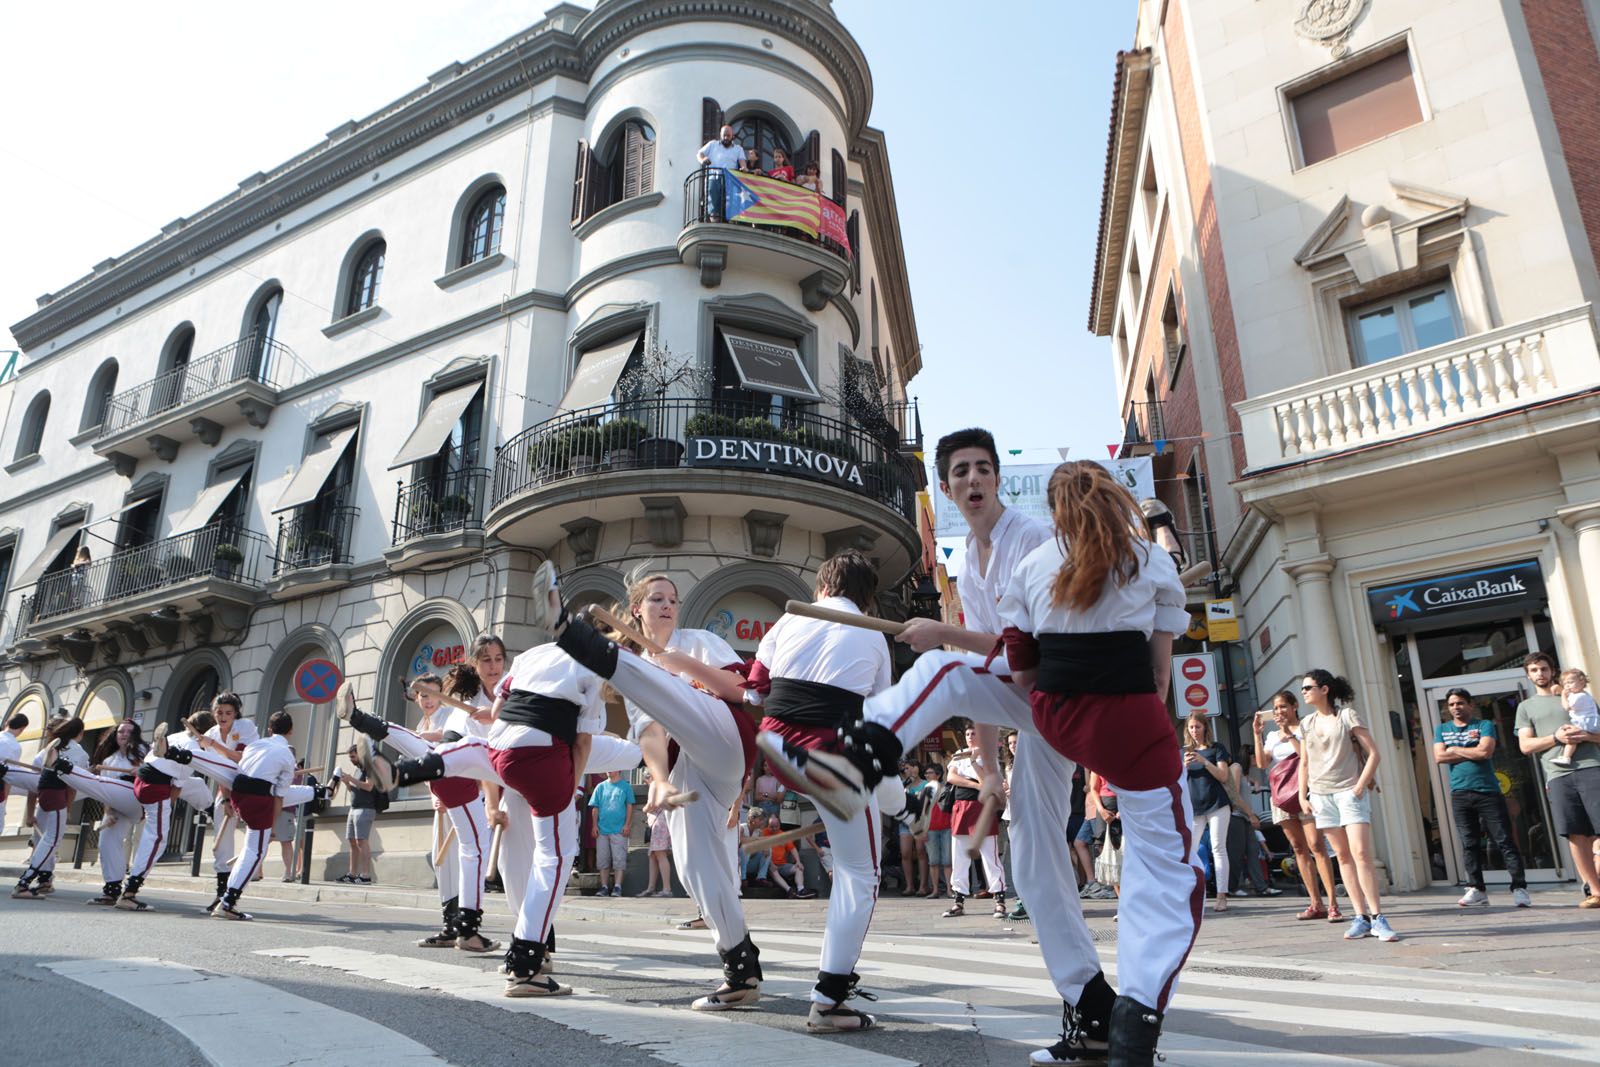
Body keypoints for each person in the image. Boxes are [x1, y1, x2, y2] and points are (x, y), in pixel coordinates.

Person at [766, 434, 1120, 1064]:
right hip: (1026, 712)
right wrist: (988, 770)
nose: (975, 478)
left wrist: (942, 633)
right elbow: (984, 680)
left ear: (996, 481)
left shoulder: (1031, 540)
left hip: (1058, 693)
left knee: (940, 669)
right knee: (1035, 864)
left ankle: (867, 760)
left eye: (984, 467)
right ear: (950, 488)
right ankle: (1092, 1010)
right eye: (962, 472)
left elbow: (1023, 648)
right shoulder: (966, 563)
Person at [385, 562, 601, 995]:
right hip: (532, 769)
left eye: (496, 658)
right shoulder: (581, 666)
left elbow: (497, 721)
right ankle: (527, 962)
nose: (493, 664)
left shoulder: (530, 662)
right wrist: (565, 792)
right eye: (485, 659)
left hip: (506, 760)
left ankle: (408, 766)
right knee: (545, 861)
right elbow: (581, 742)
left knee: (473, 757)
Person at [551, 570, 762, 1010]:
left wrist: (678, 662)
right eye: (656, 599)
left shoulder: (700, 640)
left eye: (672, 599)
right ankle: (741, 967)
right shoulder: (641, 676)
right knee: (694, 868)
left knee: (664, 686)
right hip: (685, 768)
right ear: (636, 610)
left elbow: (742, 693)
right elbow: (651, 731)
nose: (667, 605)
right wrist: (661, 781)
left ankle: (590, 646)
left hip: (723, 738)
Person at [750, 549, 895, 1033]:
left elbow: (755, 690)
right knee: (861, 873)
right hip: (830, 758)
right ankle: (831, 1000)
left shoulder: (788, 622)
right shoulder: (874, 634)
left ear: (822, 587)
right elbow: (882, 713)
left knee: (854, 846)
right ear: (866, 594)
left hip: (777, 748)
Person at [338, 670, 501, 951]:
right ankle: (462, 928)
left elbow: (446, 743)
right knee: (465, 855)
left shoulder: (459, 711)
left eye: (430, 694)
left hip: (451, 776)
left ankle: (361, 720)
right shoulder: (472, 711)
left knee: (462, 856)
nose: (427, 700)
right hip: (451, 781)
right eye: (422, 695)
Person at [1297, 669, 1396, 942]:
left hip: (1348, 793)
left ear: (1324, 689)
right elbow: (1304, 762)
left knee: (1361, 853)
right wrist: (1302, 795)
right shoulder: (1305, 723)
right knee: (1341, 857)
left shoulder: (1346, 715)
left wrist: (1360, 786)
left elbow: (1374, 753)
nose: (1304, 691)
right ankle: (1360, 917)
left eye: (1308, 687)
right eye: (1303, 688)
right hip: (1320, 795)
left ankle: (1378, 917)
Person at [1515, 651, 1600, 908]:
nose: (1540, 673)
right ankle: (1595, 892)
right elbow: (1526, 746)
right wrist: (1556, 738)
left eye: (1543, 668)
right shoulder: (1525, 707)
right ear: (1528, 676)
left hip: (1591, 767)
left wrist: (1582, 736)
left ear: (1552, 670)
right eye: (1534, 670)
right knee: (1575, 833)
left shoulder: (1578, 696)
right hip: (1557, 774)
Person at [1432, 687, 1530, 907]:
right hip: (1459, 794)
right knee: (1469, 843)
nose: (1456, 707)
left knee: (1504, 840)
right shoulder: (1442, 729)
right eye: (1451, 704)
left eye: (1460, 703)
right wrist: (1469, 749)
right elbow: (1439, 756)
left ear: (1470, 705)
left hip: (1488, 792)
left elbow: (1485, 752)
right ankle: (1477, 889)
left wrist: (1454, 749)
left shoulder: (1484, 725)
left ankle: (1519, 888)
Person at [205, 711, 304, 920]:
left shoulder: (254, 745)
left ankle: (226, 900)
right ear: (292, 731)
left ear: (269, 729)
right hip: (259, 800)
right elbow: (280, 793)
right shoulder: (287, 754)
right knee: (255, 852)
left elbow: (236, 770)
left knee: (251, 849)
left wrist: (228, 800)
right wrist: (272, 823)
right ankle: (228, 903)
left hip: (239, 795)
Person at [117, 712, 219, 911]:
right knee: (158, 838)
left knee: (196, 784)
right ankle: (129, 892)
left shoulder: (174, 737)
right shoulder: (192, 749)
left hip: (144, 779)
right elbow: (175, 790)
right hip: (156, 789)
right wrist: (164, 809)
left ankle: (211, 810)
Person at [1253, 692, 1340, 921]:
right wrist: (1257, 734)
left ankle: (1332, 903)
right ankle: (1315, 903)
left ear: (1294, 706)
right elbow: (1262, 764)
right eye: (1276, 708)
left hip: (1306, 792)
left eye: (1283, 706)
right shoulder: (1272, 735)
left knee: (1316, 845)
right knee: (1298, 848)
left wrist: (1290, 735)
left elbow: (1305, 755)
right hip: (1282, 795)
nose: (1280, 711)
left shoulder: (1306, 727)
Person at [11, 717, 89, 899]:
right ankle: (24, 884)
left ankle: (44, 879)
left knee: (42, 839)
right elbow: (73, 786)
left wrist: (30, 813)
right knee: (52, 841)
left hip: (43, 796)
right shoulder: (79, 753)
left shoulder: (49, 748)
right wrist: (68, 809)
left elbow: (34, 783)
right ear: (80, 733)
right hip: (57, 796)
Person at [81, 719, 147, 905]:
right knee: (107, 843)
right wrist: (108, 812)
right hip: (117, 806)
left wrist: (142, 770)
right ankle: (112, 889)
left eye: (128, 732)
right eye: (120, 732)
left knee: (142, 845)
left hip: (138, 803)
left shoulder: (144, 753)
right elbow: (105, 792)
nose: (124, 734)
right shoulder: (109, 760)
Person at [943, 727, 1008, 918]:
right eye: (967, 734)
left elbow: (987, 780)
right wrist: (974, 784)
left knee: (990, 856)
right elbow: (951, 777)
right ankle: (958, 901)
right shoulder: (958, 754)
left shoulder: (988, 756)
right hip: (962, 806)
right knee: (959, 856)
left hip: (982, 808)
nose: (971, 737)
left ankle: (1000, 900)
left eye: (974, 734)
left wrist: (973, 762)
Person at [203, 692, 260, 910]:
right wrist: (226, 798)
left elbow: (239, 758)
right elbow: (218, 770)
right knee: (221, 843)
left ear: (236, 714)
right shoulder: (211, 733)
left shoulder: (245, 727)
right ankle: (222, 894)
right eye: (219, 712)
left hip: (251, 786)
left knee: (256, 837)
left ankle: (241, 882)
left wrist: (214, 746)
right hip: (226, 788)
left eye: (228, 712)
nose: (223, 716)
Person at [1183, 713, 1235, 914]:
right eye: (1191, 727)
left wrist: (1204, 762)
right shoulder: (1183, 752)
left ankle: (1222, 896)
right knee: (1190, 850)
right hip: (1194, 807)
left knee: (1218, 847)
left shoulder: (1216, 748)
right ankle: (1193, 894)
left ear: (1205, 727)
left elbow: (1223, 775)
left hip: (1217, 804)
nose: (1194, 731)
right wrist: (1184, 766)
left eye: (1197, 727)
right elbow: (1174, 779)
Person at [334, 743, 381, 884]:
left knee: (362, 841)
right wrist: (347, 783)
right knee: (352, 842)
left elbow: (369, 786)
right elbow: (355, 790)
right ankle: (352, 874)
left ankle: (366, 875)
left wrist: (352, 780)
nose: (351, 760)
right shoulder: (358, 770)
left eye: (353, 757)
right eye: (350, 757)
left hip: (365, 808)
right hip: (354, 808)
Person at [588, 769, 634, 897]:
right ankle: (604, 887)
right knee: (602, 859)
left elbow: (630, 806)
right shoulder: (600, 786)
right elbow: (595, 807)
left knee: (619, 859)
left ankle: (618, 887)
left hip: (619, 830)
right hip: (602, 830)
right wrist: (594, 825)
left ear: (618, 769)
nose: (608, 769)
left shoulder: (626, 786)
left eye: (611, 767)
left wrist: (627, 825)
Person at [697, 124, 743, 221]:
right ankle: (715, 224)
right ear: (720, 135)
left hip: (730, 181)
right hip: (714, 179)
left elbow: (742, 162)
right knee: (714, 208)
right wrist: (703, 159)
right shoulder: (712, 144)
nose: (726, 138)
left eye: (728, 135)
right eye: (724, 135)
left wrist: (744, 168)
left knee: (730, 208)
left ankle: (729, 225)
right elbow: (699, 153)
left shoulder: (738, 149)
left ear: (732, 136)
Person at [1556, 668, 1600, 768]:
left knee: (1572, 737)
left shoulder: (1578, 696)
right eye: (1565, 683)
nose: (1567, 686)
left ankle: (1566, 757)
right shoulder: (1584, 694)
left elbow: (1567, 707)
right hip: (1591, 722)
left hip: (1585, 723)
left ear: (1582, 681)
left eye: (1570, 682)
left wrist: (1563, 695)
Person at [642, 777, 675, 898]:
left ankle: (667, 889)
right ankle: (651, 887)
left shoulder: (655, 784)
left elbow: (652, 804)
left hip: (658, 824)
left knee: (660, 854)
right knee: (653, 855)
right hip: (664, 822)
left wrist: (644, 809)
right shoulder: (666, 783)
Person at [923, 764, 952, 898]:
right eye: (926, 773)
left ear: (938, 775)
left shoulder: (947, 788)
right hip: (930, 829)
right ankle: (935, 890)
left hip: (947, 827)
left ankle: (949, 890)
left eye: (929, 772)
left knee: (947, 861)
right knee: (933, 861)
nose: (926, 775)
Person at [739, 808, 773, 886]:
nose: (762, 822)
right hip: (738, 864)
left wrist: (765, 847)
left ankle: (761, 877)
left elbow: (763, 844)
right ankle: (742, 878)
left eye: (763, 819)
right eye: (760, 819)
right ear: (752, 819)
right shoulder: (741, 828)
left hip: (751, 863)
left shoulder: (759, 831)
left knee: (768, 849)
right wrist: (756, 839)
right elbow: (740, 840)